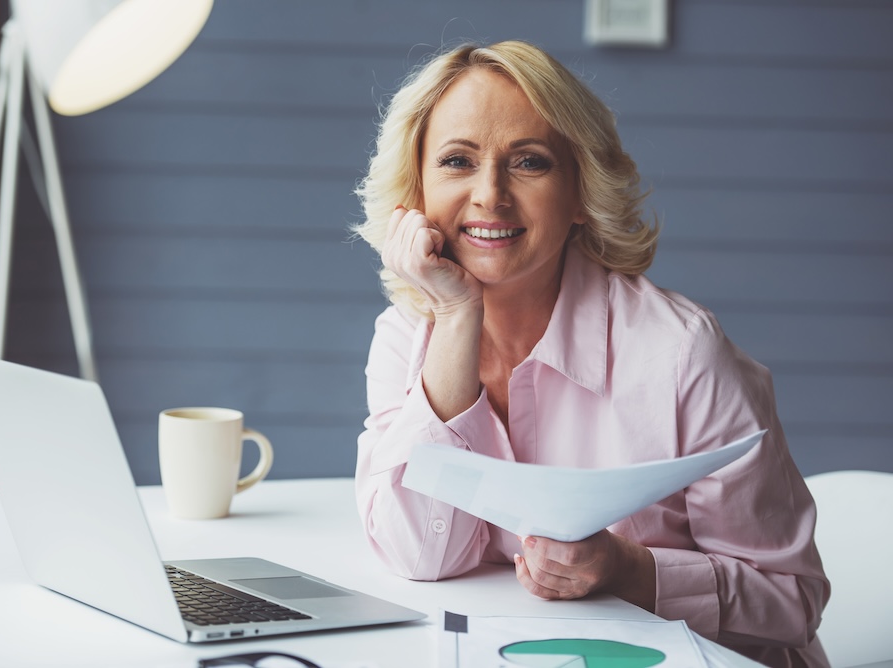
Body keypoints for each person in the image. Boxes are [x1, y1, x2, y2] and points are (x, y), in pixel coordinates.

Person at [351, 40, 830, 667]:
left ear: (581, 193)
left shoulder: (681, 353)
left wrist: (630, 571)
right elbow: (421, 556)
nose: (489, 194)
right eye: (457, 161)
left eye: (529, 162)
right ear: (416, 189)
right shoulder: (405, 336)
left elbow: (791, 601)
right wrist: (456, 314)